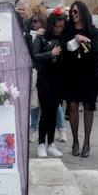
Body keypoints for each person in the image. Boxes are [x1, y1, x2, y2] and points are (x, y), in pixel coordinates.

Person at [61, 0, 98, 158]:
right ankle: (75, 141)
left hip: (88, 72)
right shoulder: (67, 29)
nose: (73, 14)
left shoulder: (91, 29)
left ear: (83, 13)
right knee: (72, 105)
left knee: (88, 106)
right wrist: (74, 40)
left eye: (76, 12)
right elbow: (64, 47)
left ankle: (86, 141)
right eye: (72, 12)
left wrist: (86, 40)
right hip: (72, 72)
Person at [32, 12, 66, 158]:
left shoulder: (63, 37)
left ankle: (51, 143)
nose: (59, 29)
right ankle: (41, 144)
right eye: (57, 26)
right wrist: (51, 54)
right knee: (46, 111)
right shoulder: (42, 37)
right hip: (44, 78)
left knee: (53, 111)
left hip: (59, 78)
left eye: (61, 26)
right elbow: (34, 56)